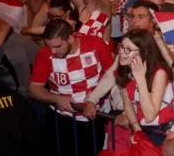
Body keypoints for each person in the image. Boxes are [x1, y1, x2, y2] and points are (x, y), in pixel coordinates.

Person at [29, 19, 113, 156]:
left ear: (70, 38)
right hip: (62, 120)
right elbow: (34, 89)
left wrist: (95, 96)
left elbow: (112, 74)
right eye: (49, 46)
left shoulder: (95, 44)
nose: (52, 51)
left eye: (57, 46)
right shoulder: (44, 55)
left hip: (94, 116)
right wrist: (56, 98)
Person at [114, 28, 174, 146]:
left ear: (144, 52)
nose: (122, 52)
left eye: (128, 49)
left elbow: (150, 116)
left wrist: (141, 79)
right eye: (121, 47)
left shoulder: (159, 73)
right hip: (144, 128)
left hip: (164, 132)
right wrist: (136, 128)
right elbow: (127, 103)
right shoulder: (126, 68)